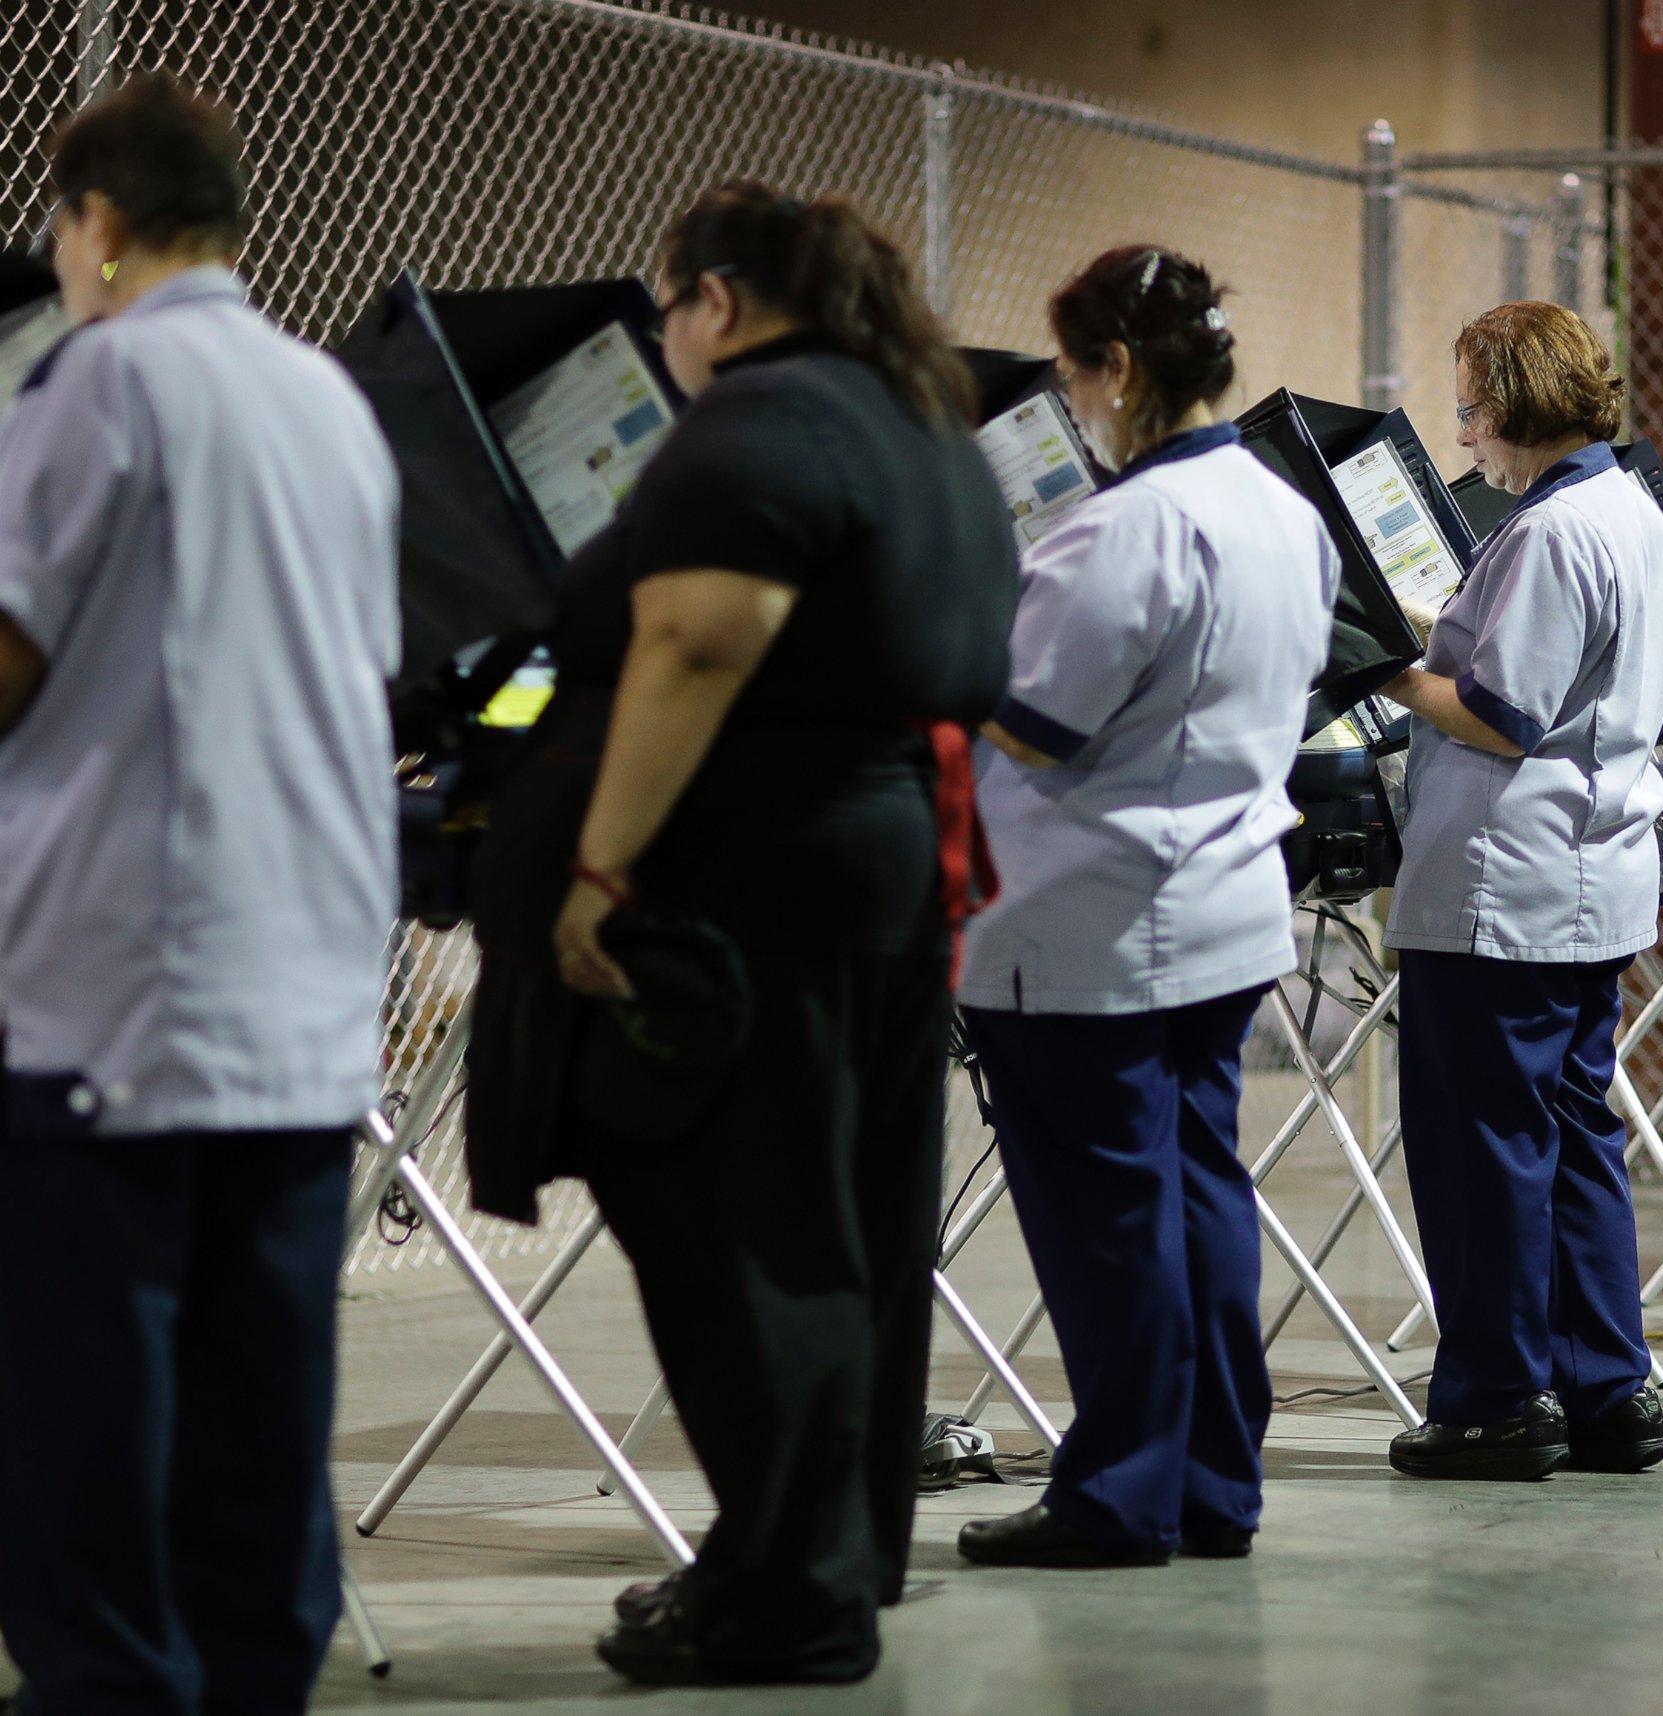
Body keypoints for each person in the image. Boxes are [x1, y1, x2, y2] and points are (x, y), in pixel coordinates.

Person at [464, 181, 1017, 1686]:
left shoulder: (761, 422)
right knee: (844, 1233)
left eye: (668, 314)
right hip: (886, 876)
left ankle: (791, 1594)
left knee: (745, 1233)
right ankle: (809, 1558)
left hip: (760, 883)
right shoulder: (918, 425)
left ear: (714, 299)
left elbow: (696, 640)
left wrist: (596, 863)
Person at [0, 74, 399, 1714]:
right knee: (259, 1414)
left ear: (92, 223)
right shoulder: (327, 399)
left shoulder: (100, 383)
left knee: (92, 1418)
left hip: (121, 995)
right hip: (300, 996)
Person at [953, 246, 1339, 1569]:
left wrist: (949, 634)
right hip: (1221, 905)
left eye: (1074, 373)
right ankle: (1213, 1482)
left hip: (1094, 926)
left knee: (1112, 1222)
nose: (1071, 399)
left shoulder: (1120, 530)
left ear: (1116, 370)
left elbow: (1043, 727)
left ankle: (1120, 1495)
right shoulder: (1284, 507)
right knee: (1198, 1197)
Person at [1378, 301, 1663, 1480]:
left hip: (1507, 887)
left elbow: (1499, 716)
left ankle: (1499, 1397)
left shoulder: (1552, 532)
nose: (1464, 440)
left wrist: (1375, 664)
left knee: (1484, 1148)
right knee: (1571, 1135)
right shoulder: (1624, 509)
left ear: (1503, 405)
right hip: (1585, 880)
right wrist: (1421, 630)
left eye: (1466, 411)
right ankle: (1607, 1388)